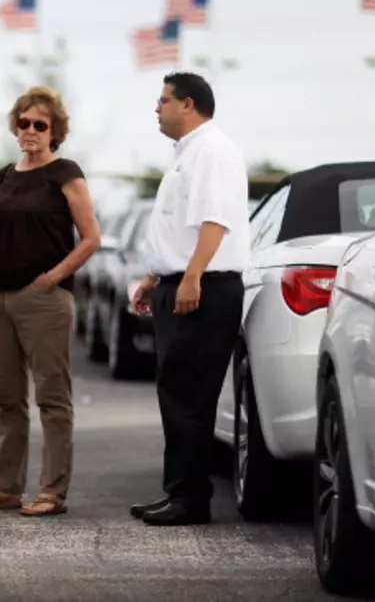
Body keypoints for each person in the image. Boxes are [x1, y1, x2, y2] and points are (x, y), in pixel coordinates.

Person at [0, 86, 101, 517]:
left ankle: (52, 491)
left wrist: (53, 278)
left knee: (51, 397)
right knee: (8, 398)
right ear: (15, 125)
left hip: (42, 299)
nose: (30, 131)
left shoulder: (65, 174)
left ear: (54, 131)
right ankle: (5, 487)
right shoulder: (5, 176)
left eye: (40, 124)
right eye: (24, 122)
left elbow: (91, 238)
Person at [129, 72, 249, 526]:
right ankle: (179, 491)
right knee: (175, 393)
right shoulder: (188, 153)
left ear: (188, 104)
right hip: (179, 282)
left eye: (163, 100)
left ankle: (191, 500)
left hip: (203, 287)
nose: (156, 108)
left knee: (189, 396)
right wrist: (152, 276)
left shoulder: (213, 151)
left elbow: (213, 222)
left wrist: (193, 276)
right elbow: (177, 229)